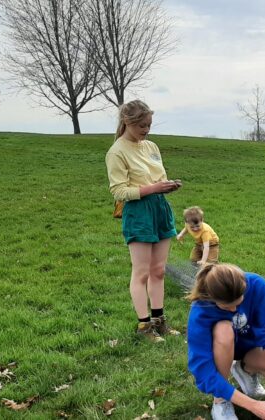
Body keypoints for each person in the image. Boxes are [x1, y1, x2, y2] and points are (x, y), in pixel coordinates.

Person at [187, 263, 265, 420]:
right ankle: (220, 401)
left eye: (238, 303)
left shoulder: (257, 285)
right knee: (224, 329)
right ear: (212, 297)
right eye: (226, 307)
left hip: (252, 347)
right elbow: (204, 373)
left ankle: (245, 369)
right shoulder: (200, 310)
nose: (234, 311)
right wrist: (253, 405)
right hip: (221, 348)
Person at [105, 99, 183, 343]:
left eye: (149, 125)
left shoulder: (151, 146)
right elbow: (118, 191)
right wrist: (152, 188)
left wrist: (167, 187)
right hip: (138, 213)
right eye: (142, 126)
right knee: (141, 273)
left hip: (160, 209)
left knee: (158, 271)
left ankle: (160, 321)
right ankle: (143, 326)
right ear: (127, 122)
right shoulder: (117, 151)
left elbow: (159, 177)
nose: (146, 130)